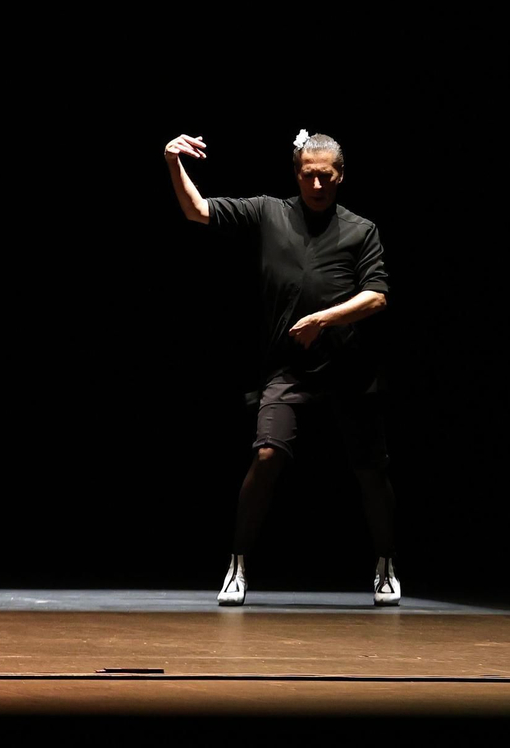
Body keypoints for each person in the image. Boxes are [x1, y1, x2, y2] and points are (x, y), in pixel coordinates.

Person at [165, 130, 400, 607]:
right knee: (268, 455)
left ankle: (385, 564)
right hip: (288, 369)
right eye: (309, 176)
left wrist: (323, 319)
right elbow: (198, 210)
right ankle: (237, 564)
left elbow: (377, 296)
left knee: (371, 470)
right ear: (297, 174)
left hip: (349, 369)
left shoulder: (361, 229)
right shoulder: (269, 212)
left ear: (341, 177)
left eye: (326, 177)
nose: (317, 186)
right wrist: (173, 162)